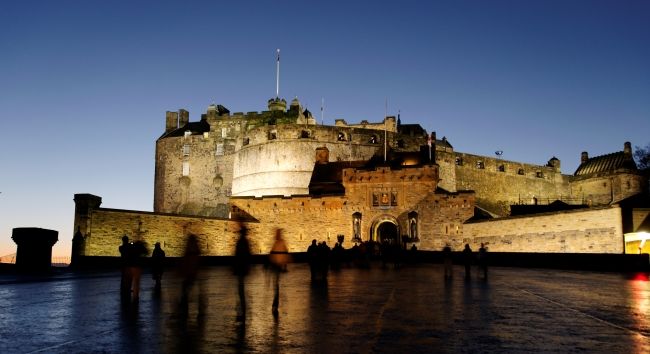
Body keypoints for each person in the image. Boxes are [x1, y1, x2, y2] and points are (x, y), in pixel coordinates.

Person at [269, 229, 289, 317]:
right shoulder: (276, 242)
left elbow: (285, 253)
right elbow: (272, 253)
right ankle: (275, 303)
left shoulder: (280, 243)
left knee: (276, 286)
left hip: (277, 266)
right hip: (275, 266)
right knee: (276, 286)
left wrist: (284, 265)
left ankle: (275, 304)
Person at [233, 222, 251, 321]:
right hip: (242, 267)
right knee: (240, 289)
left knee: (240, 289)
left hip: (241, 267)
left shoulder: (242, 241)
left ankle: (242, 311)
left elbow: (239, 255)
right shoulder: (244, 241)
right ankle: (242, 310)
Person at [119, 235, 132, 301]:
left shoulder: (121, 247)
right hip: (128, 263)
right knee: (128, 277)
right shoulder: (128, 247)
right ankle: (128, 288)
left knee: (123, 276)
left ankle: (123, 288)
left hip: (123, 264)